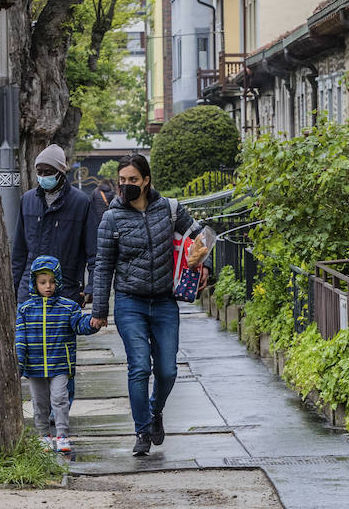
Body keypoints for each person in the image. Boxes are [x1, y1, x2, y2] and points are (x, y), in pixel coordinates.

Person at [90, 153, 205, 456]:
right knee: (139, 367)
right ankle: (142, 430)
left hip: (165, 302)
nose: (126, 185)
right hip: (130, 302)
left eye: (132, 180)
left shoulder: (169, 210)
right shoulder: (111, 218)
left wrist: (203, 264)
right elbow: (103, 266)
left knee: (167, 370)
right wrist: (100, 311)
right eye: (122, 181)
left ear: (146, 181)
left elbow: (199, 237)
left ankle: (155, 411)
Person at [15, 255, 100, 454]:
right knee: (40, 403)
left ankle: (62, 435)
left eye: (52, 282)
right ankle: (44, 436)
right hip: (35, 366)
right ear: (34, 283)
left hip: (60, 364)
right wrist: (19, 363)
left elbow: (80, 325)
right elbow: (20, 339)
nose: (48, 286)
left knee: (60, 398)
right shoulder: (25, 310)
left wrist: (93, 323)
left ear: (58, 281)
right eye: (43, 282)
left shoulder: (68, 307)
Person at [11, 144, 99, 305]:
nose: (43, 176)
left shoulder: (81, 203)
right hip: (29, 291)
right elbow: (19, 251)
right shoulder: (27, 200)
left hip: (66, 289)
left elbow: (94, 252)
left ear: (61, 172)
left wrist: (91, 288)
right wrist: (13, 287)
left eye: (48, 172)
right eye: (39, 172)